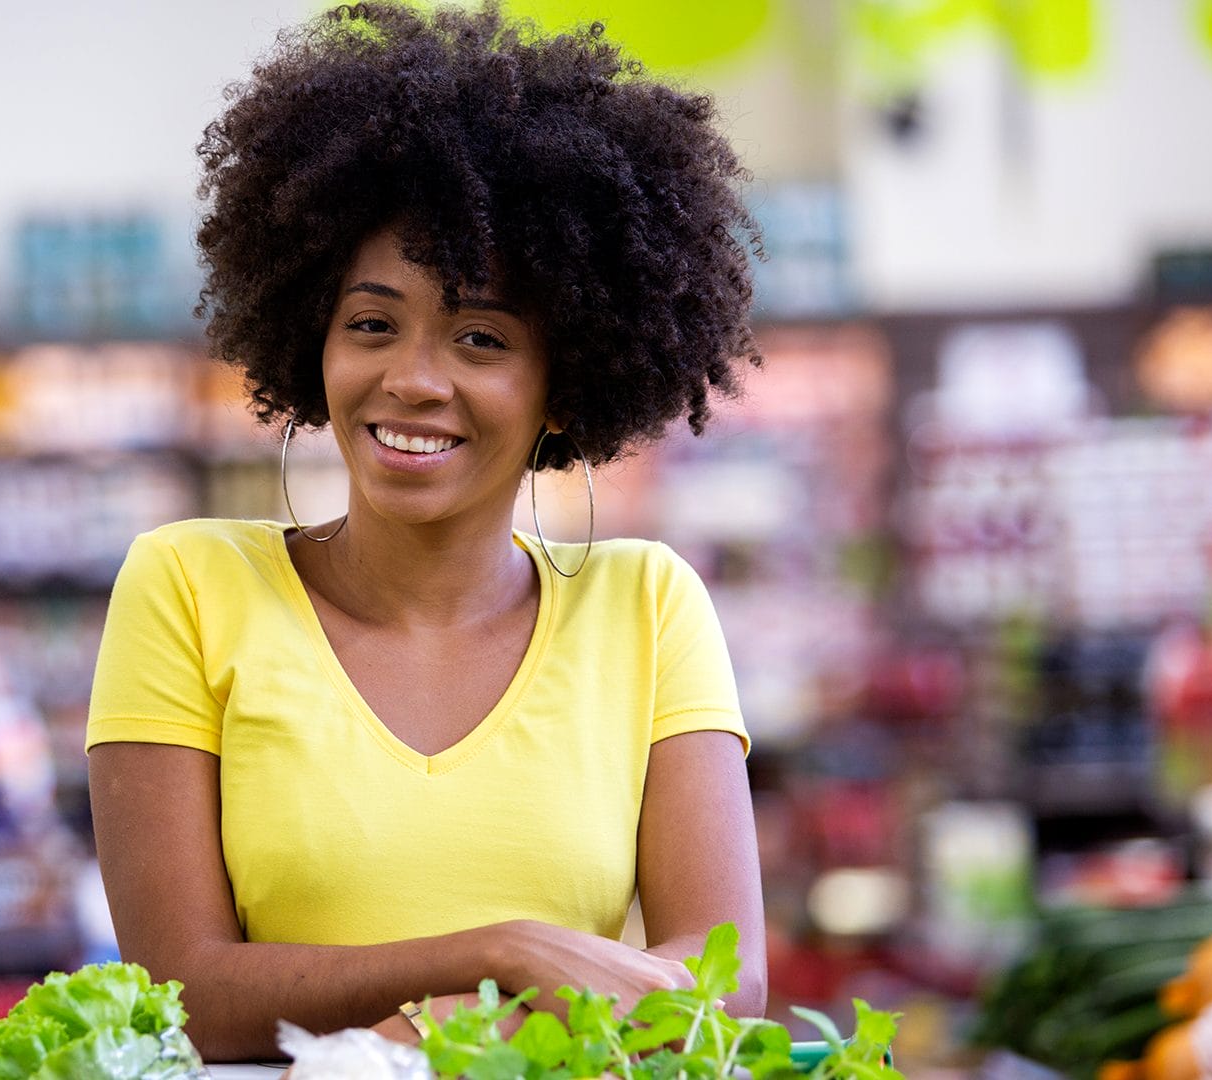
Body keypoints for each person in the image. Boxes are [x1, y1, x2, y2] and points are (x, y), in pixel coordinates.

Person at [87, 2, 766, 1062]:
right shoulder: (187, 585)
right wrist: (507, 955)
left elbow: (723, 986)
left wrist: (432, 1026)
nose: (411, 378)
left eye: (481, 337)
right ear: (312, 339)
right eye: (371, 323)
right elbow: (185, 992)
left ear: (563, 385)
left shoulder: (647, 605)